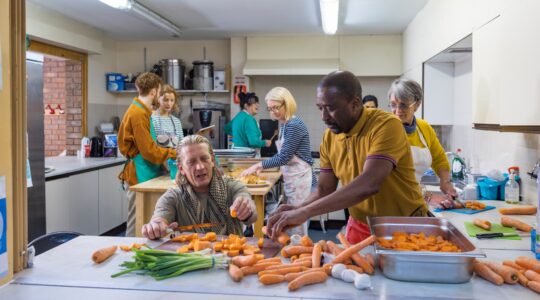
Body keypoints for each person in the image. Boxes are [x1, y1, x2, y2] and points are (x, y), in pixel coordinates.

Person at [266, 71, 427, 244]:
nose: (324, 117)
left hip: (403, 227)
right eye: (320, 108)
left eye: (331, 108)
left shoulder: (387, 125)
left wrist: (305, 212)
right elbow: (325, 190)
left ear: (355, 103)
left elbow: (368, 184)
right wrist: (298, 208)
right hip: (361, 225)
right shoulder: (330, 136)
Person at [141, 135, 257, 239]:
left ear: (212, 160)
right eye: (191, 162)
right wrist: (156, 226)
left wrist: (246, 208)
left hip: (231, 257)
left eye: (204, 159)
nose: (200, 167)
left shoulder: (232, 187)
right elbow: (160, 217)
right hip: (190, 259)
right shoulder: (173, 197)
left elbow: (251, 212)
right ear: (181, 168)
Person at [241, 87, 316, 236]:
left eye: (276, 107)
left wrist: (259, 165)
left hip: (300, 179)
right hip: (293, 177)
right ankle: (293, 252)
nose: (273, 112)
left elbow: (284, 157)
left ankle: (301, 252)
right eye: (270, 108)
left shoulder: (294, 125)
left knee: (297, 223)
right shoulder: (284, 124)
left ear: (286, 103)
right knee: (291, 220)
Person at [118, 72, 177, 237]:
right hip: (138, 173)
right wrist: (174, 153)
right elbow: (149, 151)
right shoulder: (137, 114)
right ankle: (129, 254)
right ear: (153, 92)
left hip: (146, 171)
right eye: (159, 92)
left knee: (146, 221)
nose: (159, 96)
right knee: (136, 222)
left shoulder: (143, 111)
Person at [387, 78, 457, 204]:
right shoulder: (386, 131)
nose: (397, 111)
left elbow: (439, 158)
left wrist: (445, 182)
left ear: (417, 105)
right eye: (393, 105)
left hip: (414, 199)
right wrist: (428, 196)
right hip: (391, 201)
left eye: (403, 105)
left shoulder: (423, 127)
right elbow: (393, 178)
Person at [152, 84, 184, 149]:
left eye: (172, 100)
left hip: (174, 158)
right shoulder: (153, 119)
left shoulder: (176, 121)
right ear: (158, 99)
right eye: (165, 100)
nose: (169, 104)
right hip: (159, 158)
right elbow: (151, 145)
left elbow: (182, 144)